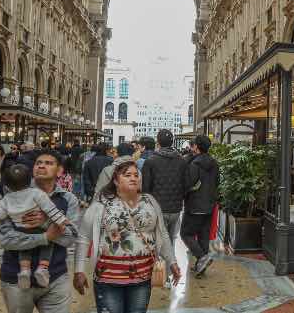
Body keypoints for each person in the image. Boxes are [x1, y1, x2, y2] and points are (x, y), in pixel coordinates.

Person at [74, 159, 182, 313]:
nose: (133, 178)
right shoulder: (101, 204)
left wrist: (172, 262)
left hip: (142, 278)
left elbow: (162, 234)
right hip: (108, 278)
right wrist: (79, 270)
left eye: (136, 175)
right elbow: (84, 237)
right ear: (116, 181)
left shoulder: (150, 202)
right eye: (127, 175)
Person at [0, 148, 80, 312]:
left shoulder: (68, 199)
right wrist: (45, 237)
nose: (42, 166)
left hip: (55, 278)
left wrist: (45, 222)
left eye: (48, 163)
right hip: (15, 279)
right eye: (38, 163)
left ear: (60, 170)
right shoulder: (12, 195)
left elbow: (70, 238)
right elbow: (6, 239)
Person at [140, 130, 187, 287]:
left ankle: (158, 275)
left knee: (157, 242)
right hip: (175, 209)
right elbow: (186, 184)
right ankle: (167, 275)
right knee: (170, 242)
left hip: (157, 209)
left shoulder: (150, 161)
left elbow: (145, 188)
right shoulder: (181, 160)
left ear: (158, 142)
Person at [181, 135, 219, 277]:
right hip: (209, 204)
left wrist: (184, 194)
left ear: (196, 146)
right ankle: (200, 267)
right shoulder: (214, 163)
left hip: (195, 204)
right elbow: (217, 182)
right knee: (203, 236)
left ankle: (202, 257)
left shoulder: (195, 164)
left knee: (186, 234)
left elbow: (189, 184)